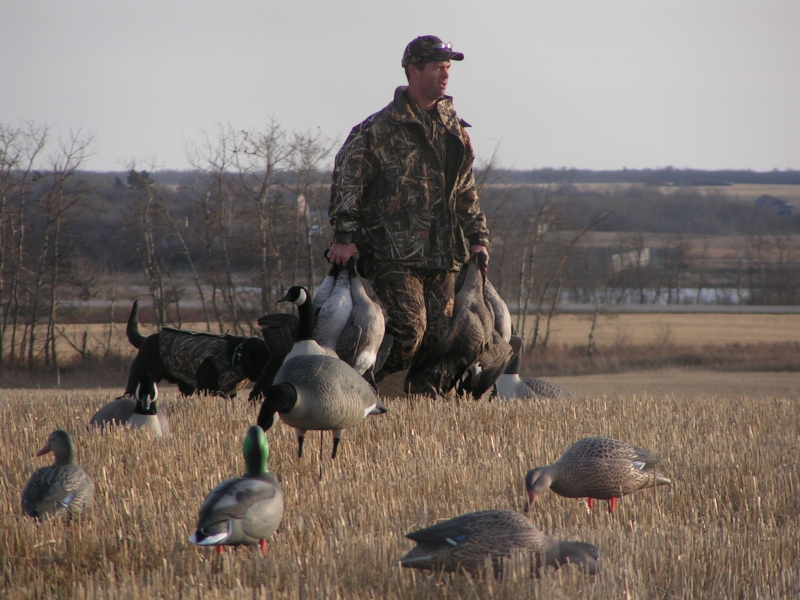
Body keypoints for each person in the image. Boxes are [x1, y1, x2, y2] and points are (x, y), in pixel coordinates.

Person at [327, 35, 490, 397]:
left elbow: (465, 189)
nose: (445, 75)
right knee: (408, 329)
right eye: (436, 68)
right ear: (413, 71)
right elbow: (347, 184)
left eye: (448, 68)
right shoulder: (377, 129)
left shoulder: (454, 129)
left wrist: (478, 237)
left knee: (439, 334)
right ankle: (366, 396)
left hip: (443, 253)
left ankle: (416, 399)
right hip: (392, 252)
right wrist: (344, 236)